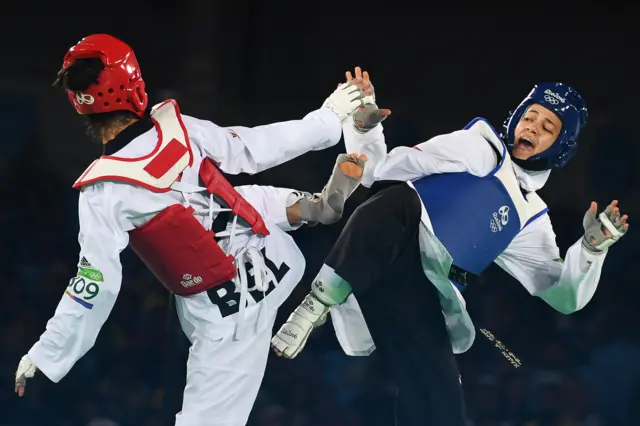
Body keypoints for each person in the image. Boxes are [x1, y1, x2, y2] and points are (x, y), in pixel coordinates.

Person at [13, 34, 372, 426]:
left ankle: (316, 210)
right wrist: (328, 117)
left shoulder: (104, 190)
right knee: (233, 195)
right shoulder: (177, 127)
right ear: (134, 84)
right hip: (273, 249)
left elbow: (96, 284)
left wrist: (47, 352)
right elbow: (257, 147)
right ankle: (316, 207)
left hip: (234, 308)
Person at [272, 68, 630, 426]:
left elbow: (564, 297)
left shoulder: (531, 218)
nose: (532, 128)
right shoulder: (476, 145)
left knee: (440, 404)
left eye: (547, 127)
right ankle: (314, 304)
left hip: (423, 291)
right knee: (397, 200)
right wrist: (364, 128)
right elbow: (378, 170)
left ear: (561, 147)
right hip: (385, 247)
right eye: (529, 116)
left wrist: (591, 250)